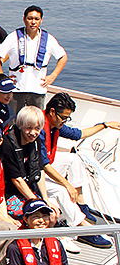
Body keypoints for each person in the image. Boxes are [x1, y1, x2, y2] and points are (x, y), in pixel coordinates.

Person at [38, 93, 118, 250]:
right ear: (52, 112)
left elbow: (78, 134)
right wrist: (68, 185)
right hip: (34, 174)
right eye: (64, 117)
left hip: (43, 167)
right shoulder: (39, 128)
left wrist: (105, 125)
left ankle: (81, 205)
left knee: (74, 159)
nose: (65, 121)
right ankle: (83, 230)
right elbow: (43, 164)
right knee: (61, 190)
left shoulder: (56, 125)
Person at [0, 5, 68, 112]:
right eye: (30, 18)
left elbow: (63, 57)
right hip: (16, 90)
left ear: (41, 20)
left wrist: (53, 75)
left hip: (38, 90)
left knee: (35, 122)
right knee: (13, 122)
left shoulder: (49, 39)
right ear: (24, 19)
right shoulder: (14, 37)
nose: (33, 22)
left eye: (36, 19)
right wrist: (2, 78)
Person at [0, 106, 58, 221]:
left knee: (52, 215)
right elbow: (16, 179)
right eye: (29, 128)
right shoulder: (8, 144)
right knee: (37, 216)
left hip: (29, 189)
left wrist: (45, 199)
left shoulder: (36, 141)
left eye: (37, 128)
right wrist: (36, 203)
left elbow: (39, 170)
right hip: (10, 193)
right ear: (21, 125)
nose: (33, 133)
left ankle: (47, 239)